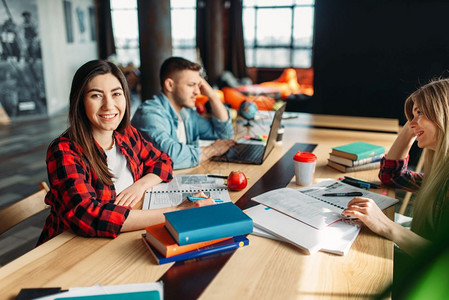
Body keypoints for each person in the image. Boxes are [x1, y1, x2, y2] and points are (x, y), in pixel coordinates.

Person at [38, 60, 213, 245]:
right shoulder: (64, 151)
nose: (109, 105)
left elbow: (163, 161)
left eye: (116, 94)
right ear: (80, 101)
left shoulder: (126, 134)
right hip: (69, 248)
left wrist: (140, 186)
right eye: (96, 96)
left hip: (118, 239)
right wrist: (177, 212)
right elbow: (89, 216)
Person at [342, 78, 449, 257]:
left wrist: (386, 226)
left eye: (420, 113)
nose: (412, 122)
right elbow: (392, 176)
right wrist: (414, 124)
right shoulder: (441, 175)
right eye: (411, 117)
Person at [131, 57, 235, 169]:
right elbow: (170, 157)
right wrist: (213, 150)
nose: (198, 92)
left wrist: (212, 96)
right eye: (191, 85)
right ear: (170, 85)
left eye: (198, 85)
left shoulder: (186, 113)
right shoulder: (149, 114)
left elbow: (224, 135)